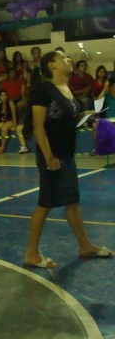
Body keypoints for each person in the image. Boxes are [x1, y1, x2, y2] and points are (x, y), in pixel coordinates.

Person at [23, 50, 113, 268]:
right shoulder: (43, 90)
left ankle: (85, 245)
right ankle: (31, 253)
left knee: (72, 202)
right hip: (52, 158)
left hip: (67, 155)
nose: (68, 60)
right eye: (62, 58)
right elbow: (38, 126)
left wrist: (86, 118)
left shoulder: (66, 88)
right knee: (45, 204)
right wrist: (49, 157)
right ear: (51, 65)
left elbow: (66, 120)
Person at [0, 90, 17, 155]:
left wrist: (14, 126)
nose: (4, 97)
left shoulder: (10, 102)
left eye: (5, 95)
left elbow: (14, 115)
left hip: (9, 121)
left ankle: (2, 147)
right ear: (0, 97)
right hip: (1, 121)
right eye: (2, 96)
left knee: (4, 129)